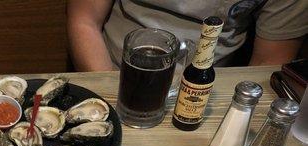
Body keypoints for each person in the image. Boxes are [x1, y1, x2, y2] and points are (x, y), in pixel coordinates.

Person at [67, 0, 308, 71]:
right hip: (115, 74)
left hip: (209, 92)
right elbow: (84, 20)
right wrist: (109, 97)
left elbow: (267, 65)